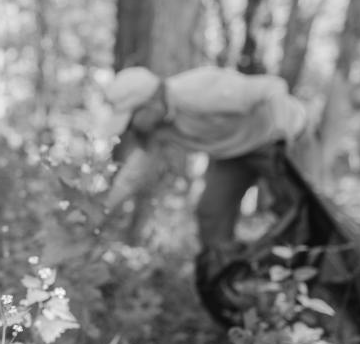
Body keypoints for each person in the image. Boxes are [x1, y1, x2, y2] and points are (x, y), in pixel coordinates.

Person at [101, 66, 309, 271]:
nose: (131, 129)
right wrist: (100, 211)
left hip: (280, 136)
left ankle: (302, 275)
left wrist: (282, 135)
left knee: (299, 211)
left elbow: (272, 87)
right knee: (211, 214)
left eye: (131, 121)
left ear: (150, 104)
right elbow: (132, 176)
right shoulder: (157, 130)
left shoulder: (200, 92)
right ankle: (230, 281)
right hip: (232, 153)